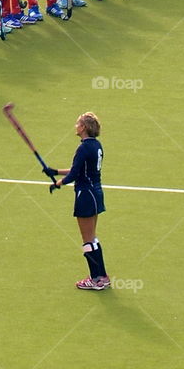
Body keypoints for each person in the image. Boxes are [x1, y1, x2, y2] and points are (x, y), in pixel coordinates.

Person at [43, 112, 110, 291]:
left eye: (78, 124)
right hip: (96, 193)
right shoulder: (96, 145)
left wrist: (57, 184)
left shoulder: (83, 148)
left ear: (84, 127)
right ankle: (102, 276)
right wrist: (55, 171)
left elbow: (74, 175)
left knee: (87, 240)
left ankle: (95, 279)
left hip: (85, 196)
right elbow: (78, 169)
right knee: (93, 238)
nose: (76, 126)